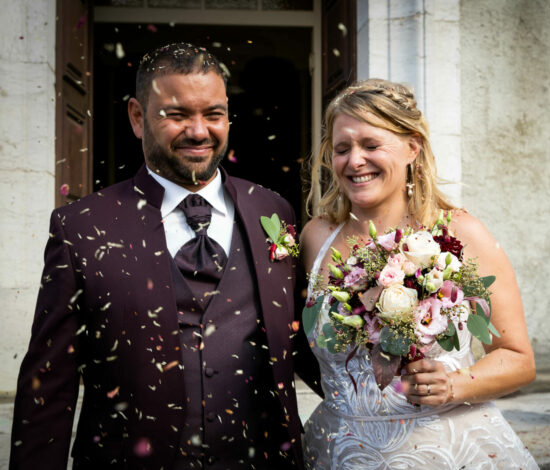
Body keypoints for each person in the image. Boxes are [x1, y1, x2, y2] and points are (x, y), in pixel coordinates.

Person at [10, 43, 320, 470]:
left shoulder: (272, 210)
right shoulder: (80, 226)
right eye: (176, 115)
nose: (198, 131)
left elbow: (305, 342)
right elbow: (50, 384)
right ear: (138, 117)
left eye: (213, 114)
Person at [299, 78, 538, 469]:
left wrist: (455, 385)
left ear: (412, 147)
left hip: (445, 451)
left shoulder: (459, 233)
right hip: (340, 452)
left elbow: (517, 358)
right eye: (342, 149)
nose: (354, 161)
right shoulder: (316, 237)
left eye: (371, 145)